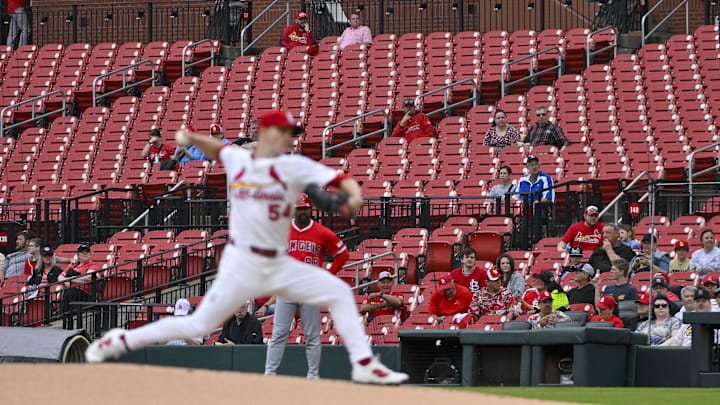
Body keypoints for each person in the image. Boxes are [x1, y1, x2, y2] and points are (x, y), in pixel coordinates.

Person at [85, 110, 408, 384]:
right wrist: (192, 139)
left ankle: (366, 367)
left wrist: (351, 194)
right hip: (243, 261)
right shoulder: (241, 159)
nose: (288, 138)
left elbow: (339, 178)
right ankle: (123, 340)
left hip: (280, 265)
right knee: (199, 324)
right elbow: (216, 148)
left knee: (337, 292)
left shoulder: (293, 165)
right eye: (283, 132)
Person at [265, 192, 351, 379]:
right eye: (299, 208)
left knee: (312, 336)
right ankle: (269, 374)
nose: (302, 212)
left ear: (310, 209)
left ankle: (313, 376)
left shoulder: (321, 231)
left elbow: (343, 254)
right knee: (279, 334)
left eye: (305, 208)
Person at [59, 244, 103, 325]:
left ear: (90, 254)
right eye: (82, 252)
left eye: (87, 252)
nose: (85, 254)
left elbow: (88, 278)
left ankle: (66, 317)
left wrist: (70, 280)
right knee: (67, 292)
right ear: (78, 255)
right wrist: (75, 280)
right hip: (71, 291)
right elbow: (60, 277)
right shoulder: (73, 266)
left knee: (70, 292)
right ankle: (64, 317)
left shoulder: (94, 265)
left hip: (86, 293)